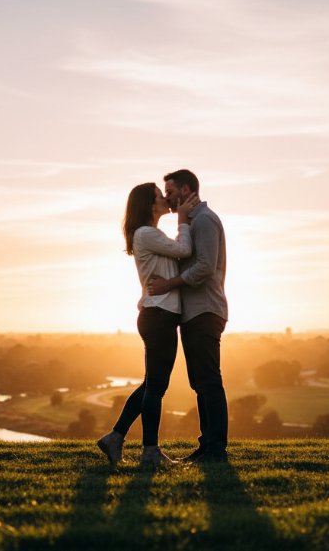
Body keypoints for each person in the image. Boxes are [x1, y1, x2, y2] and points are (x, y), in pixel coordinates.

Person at [96, 182, 199, 467]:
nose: (165, 197)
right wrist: (183, 221)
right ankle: (150, 452)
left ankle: (115, 437)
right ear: (150, 204)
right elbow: (185, 250)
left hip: (159, 315)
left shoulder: (150, 234)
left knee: (151, 385)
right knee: (155, 387)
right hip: (159, 315)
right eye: (159, 195)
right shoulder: (146, 234)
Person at [147, 169, 229, 463]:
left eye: (169, 192)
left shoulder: (205, 220)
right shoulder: (190, 223)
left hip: (205, 309)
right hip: (193, 313)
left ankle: (216, 448)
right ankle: (206, 445)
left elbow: (205, 266)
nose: (166, 197)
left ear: (185, 190)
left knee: (208, 380)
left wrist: (168, 284)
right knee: (199, 382)